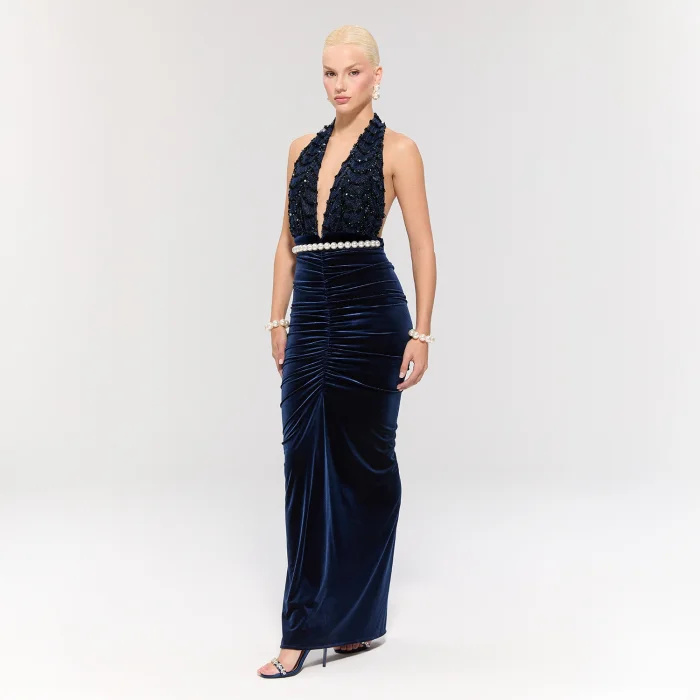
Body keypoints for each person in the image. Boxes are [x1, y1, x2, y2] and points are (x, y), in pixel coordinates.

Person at [258, 24, 437, 679]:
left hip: (372, 315)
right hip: (310, 315)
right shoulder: (299, 150)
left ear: (377, 76)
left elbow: (422, 245)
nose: (340, 84)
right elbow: (286, 244)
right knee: (303, 462)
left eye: (353, 72)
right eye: (330, 73)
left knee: (368, 468)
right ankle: (303, 627)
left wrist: (422, 333)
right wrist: (277, 317)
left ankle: (356, 623)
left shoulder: (399, 149)